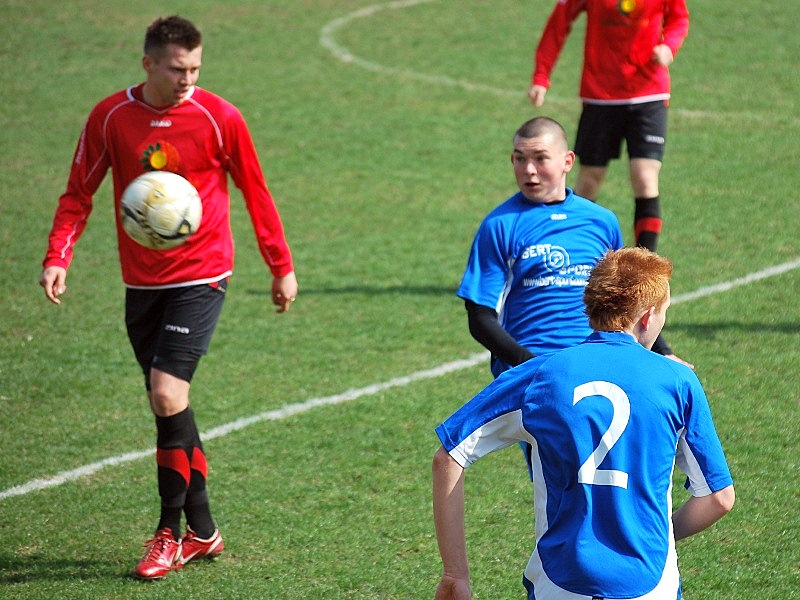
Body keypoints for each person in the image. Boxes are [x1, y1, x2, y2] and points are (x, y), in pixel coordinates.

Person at [39, 15, 298, 580]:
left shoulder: (219, 117)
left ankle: (169, 534)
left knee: (165, 392)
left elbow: (255, 190)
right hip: (141, 282)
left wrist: (281, 266)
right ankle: (204, 532)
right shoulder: (111, 117)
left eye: (196, 69)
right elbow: (79, 191)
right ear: (149, 64)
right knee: (171, 407)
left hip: (203, 274)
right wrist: (59, 255)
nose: (188, 80)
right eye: (178, 69)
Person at [433, 247, 735, 600]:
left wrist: (455, 575)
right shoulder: (677, 381)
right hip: (651, 586)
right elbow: (719, 498)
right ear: (649, 315)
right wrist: (663, 532)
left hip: (558, 583)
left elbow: (448, 457)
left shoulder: (540, 375)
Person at [457, 116, 685, 382]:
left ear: (568, 161)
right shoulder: (499, 225)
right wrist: (531, 365)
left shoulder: (601, 221)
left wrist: (663, 352)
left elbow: (628, 300)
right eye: (520, 159)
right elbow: (480, 316)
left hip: (595, 366)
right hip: (529, 374)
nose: (529, 169)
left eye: (540, 158)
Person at [528, 0, 690, 255]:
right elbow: (559, 22)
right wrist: (541, 76)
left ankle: (646, 267)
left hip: (649, 94)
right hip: (600, 96)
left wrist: (669, 46)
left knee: (645, 177)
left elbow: (679, 18)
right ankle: (574, 255)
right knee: (589, 180)